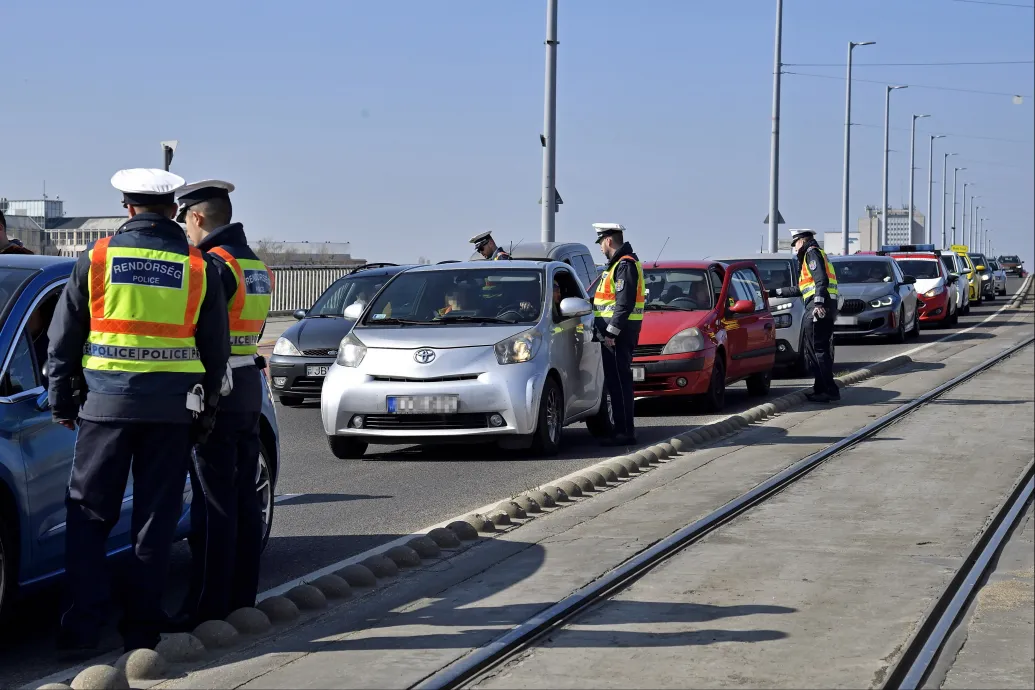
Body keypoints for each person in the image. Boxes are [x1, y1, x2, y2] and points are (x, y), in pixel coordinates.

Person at [47, 168, 230, 655]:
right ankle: (142, 629)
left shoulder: (98, 257)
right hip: (172, 414)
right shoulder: (198, 267)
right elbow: (215, 352)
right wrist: (207, 411)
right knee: (156, 516)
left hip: (104, 408)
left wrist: (61, 400)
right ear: (173, 210)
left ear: (127, 209)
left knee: (88, 515)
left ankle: (81, 631)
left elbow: (63, 338)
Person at [170, 179, 274, 628]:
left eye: (185, 222)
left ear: (197, 217)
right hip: (248, 385)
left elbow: (200, 330)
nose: (186, 232)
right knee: (244, 499)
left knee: (212, 506)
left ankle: (207, 607)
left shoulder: (214, 264)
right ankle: (242, 596)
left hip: (220, 390)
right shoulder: (254, 265)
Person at [768, 228, 840, 403]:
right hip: (823, 305)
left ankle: (828, 390)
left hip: (817, 307)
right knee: (815, 350)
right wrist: (773, 292)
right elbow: (800, 288)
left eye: (795, 243)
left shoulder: (811, 253)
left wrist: (818, 303)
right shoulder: (813, 254)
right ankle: (822, 388)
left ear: (802, 240)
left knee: (817, 350)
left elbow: (821, 280)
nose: (794, 248)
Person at [591, 222, 645, 446]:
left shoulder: (624, 265)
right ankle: (621, 430)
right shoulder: (616, 265)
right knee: (615, 383)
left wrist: (612, 332)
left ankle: (625, 432)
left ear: (608, 240)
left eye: (601, 242)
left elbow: (623, 304)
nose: (601, 248)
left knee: (620, 383)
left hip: (617, 335)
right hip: (615, 334)